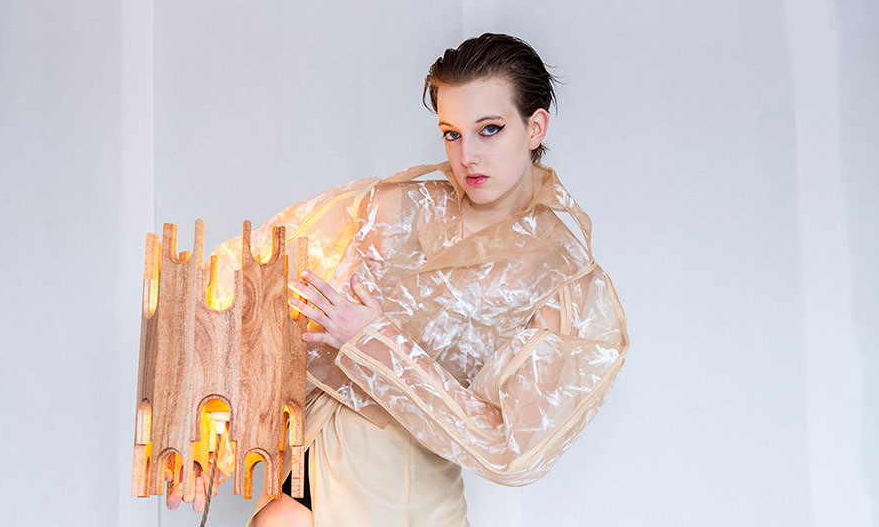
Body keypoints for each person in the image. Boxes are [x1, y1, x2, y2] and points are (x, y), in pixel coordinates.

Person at [173, 33, 629, 527]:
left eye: (490, 129)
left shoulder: (563, 275)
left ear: (535, 126)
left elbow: (513, 450)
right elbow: (239, 293)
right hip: (324, 476)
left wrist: (373, 341)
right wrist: (210, 437)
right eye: (451, 133)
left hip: (429, 499)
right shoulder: (393, 210)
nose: (467, 156)